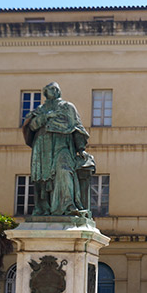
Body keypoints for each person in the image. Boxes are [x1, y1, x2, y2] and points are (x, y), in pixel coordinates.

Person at [21, 82, 90, 216]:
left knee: (64, 171)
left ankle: (68, 206)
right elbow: (32, 126)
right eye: (49, 89)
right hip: (42, 145)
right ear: (45, 93)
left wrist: (81, 148)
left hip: (62, 144)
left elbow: (77, 127)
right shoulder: (40, 109)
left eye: (54, 89)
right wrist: (47, 116)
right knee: (42, 177)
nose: (52, 91)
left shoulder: (67, 107)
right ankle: (44, 208)